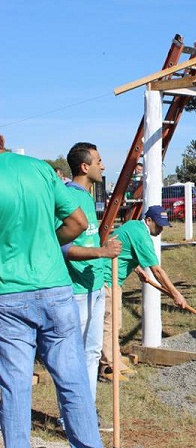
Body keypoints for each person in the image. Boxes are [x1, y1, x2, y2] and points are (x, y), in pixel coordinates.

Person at [0, 148, 108, 448]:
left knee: (15, 386)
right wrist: (49, 240)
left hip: (9, 295)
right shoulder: (41, 169)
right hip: (56, 291)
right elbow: (78, 222)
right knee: (73, 379)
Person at [58, 142, 122, 428]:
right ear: (84, 167)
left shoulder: (87, 197)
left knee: (92, 354)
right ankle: (70, 417)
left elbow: (89, 241)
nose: (103, 165)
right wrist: (101, 252)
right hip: (75, 291)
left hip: (95, 286)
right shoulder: (68, 198)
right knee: (72, 356)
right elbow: (62, 247)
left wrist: (103, 248)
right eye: (99, 160)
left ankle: (86, 414)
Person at [99, 205, 187, 381]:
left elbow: (125, 250)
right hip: (107, 280)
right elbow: (157, 271)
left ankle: (114, 358)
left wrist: (139, 271)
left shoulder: (133, 226)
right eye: (159, 225)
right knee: (111, 324)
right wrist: (176, 294)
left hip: (109, 278)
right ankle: (108, 367)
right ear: (148, 220)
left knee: (114, 323)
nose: (161, 229)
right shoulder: (142, 235)